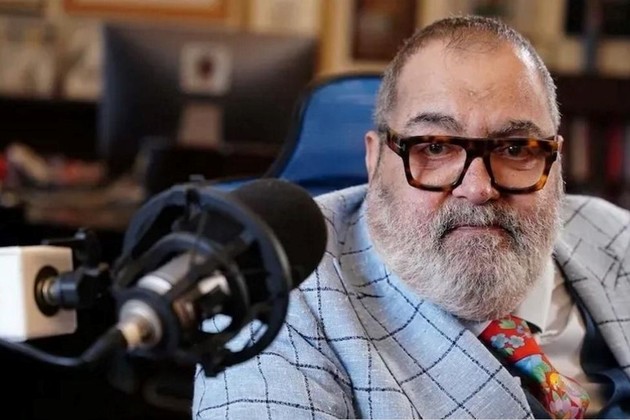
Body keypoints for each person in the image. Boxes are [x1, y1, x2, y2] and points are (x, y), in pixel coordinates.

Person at [193, 15, 630, 419]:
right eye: (435, 148)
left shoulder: (615, 236)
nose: (478, 188)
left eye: (516, 148)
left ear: (555, 161)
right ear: (374, 160)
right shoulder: (275, 295)